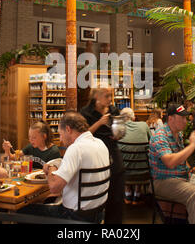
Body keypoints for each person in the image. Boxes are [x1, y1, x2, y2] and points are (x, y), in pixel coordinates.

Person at [18, 112, 110, 223]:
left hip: (75, 216)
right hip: (98, 213)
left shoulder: (76, 148)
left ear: (68, 129)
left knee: (21, 210)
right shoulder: (100, 144)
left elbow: (54, 187)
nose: (61, 139)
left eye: (60, 134)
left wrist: (52, 167)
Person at [80, 87, 124, 224]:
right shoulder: (85, 112)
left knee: (116, 191)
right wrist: (100, 122)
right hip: (94, 154)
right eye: (107, 96)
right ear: (96, 97)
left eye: (111, 95)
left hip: (112, 151)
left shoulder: (114, 111)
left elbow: (121, 131)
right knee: (97, 191)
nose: (110, 99)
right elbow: (82, 134)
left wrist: (118, 134)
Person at [118, 108, 152, 205]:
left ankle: (127, 192)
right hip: (144, 173)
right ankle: (137, 192)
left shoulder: (118, 128)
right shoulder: (144, 125)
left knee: (121, 156)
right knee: (139, 155)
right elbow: (152, 142)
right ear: (133, 117)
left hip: (124, 174)